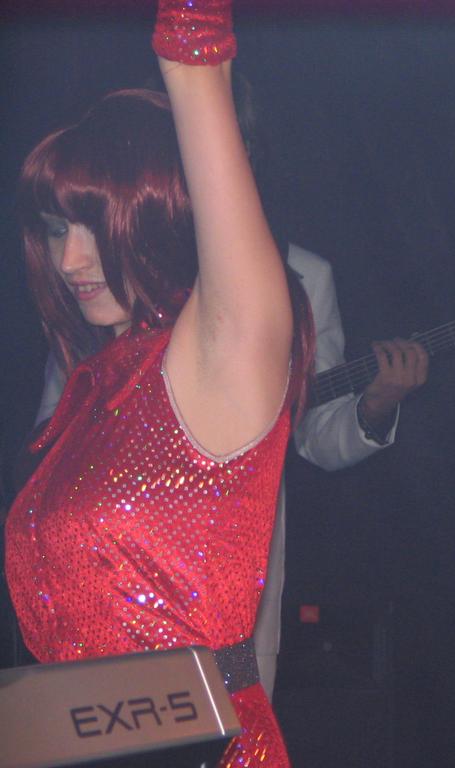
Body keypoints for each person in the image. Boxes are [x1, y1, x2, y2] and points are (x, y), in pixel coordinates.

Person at [4, 2, 304, 764]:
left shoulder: (217, 359)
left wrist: (190, 31)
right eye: (54, 229)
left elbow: (197, 74)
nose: (68, 260)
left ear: (158, 211)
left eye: (91, 224)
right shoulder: (93, 388)